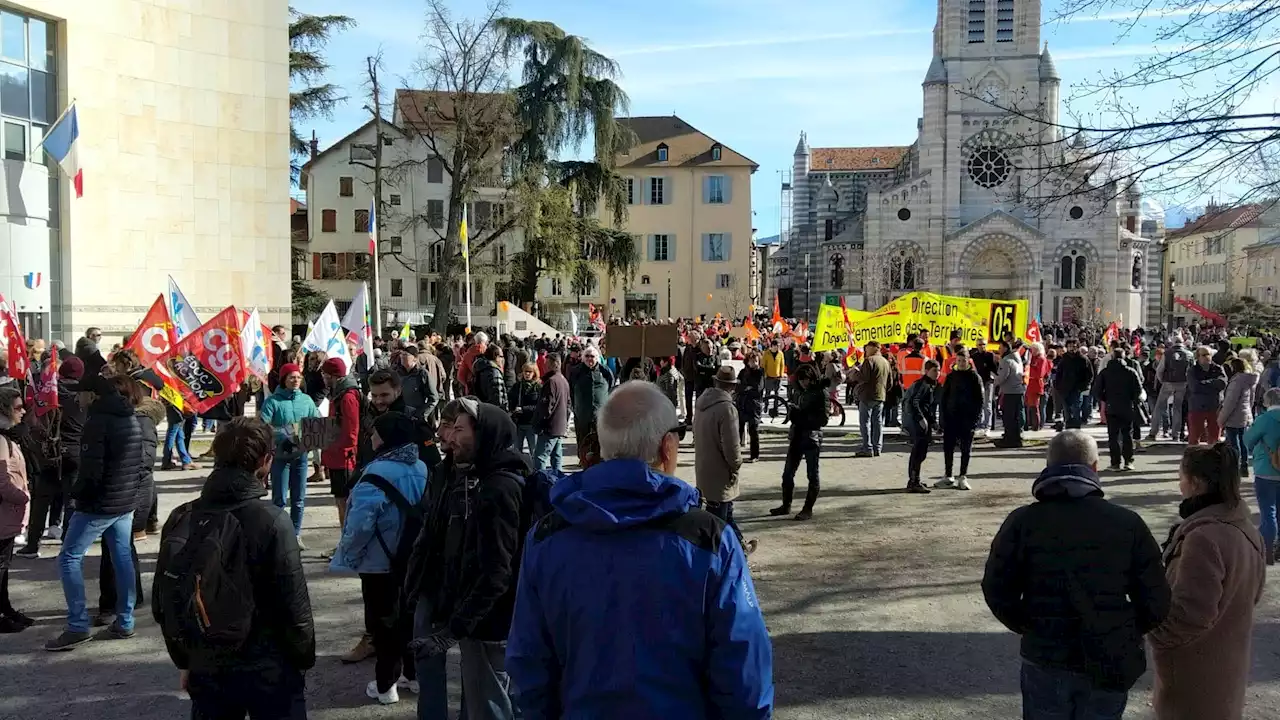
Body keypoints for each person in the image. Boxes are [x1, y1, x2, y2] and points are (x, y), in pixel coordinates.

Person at [506, 381, 774, 718]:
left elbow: (528, 662)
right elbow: (743, 667)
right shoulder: (709, 540)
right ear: (667, 447)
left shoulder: (547, 536)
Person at [982, 430, 1171, 719]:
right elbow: (1156, 598)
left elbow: (997, 587)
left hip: (1045, 652)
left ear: (1048, 465)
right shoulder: (1127, 523)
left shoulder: (1023, 521)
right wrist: (1125, 627)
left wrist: (1028, 623)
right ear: (1094, 467)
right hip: (1109, 653)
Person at [153, 417, 315, 719]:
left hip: (208, 661)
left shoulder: (182, 516)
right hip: (269, 665)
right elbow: (293, 604)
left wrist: (185, 660)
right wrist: (303, 659)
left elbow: (166, 600)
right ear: (266, 460)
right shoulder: (273, 520)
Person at [404, 398, 528, 720]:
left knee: (491, 707)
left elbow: (497, 573)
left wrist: (452, 631)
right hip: (475, 618)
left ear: (484, 434)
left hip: (490, 624)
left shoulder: (498, 488)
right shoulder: (462, 474)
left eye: (459, 429)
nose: (450, 437)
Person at [1149, 444, 1266, 720]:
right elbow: (1255, 593)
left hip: (1194, 678)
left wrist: (1152, 632)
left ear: (1196, 483)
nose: (1180, 485)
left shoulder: (1204, 538)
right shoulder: (1245, 527)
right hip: (1226, 669)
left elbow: (1187, 615)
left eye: (1181, 477)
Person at [331, 412, 427, 705]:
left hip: (379, 562)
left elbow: (359, 526)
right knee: (411, 618)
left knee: (384, 625)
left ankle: (386, 685)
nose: (370, 438)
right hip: (413, 558)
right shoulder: (422, 467)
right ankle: (413, 675)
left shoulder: (373, 474)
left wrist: (346, 557)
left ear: (384, 439)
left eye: (374, 433)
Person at [45, 374, 147, 651]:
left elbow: (91, 470)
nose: (78, 398)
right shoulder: (131, 418)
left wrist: (77, 496)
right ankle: (125, 620)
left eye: (82, 393)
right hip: (124, 500)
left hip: (100, 503)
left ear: (94, 395)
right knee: (121, 555)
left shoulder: (97, 421)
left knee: (68, 557)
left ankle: (77, 625)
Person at [96, 383, 162, 627]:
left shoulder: (141, 422)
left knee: (115, 546)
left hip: (129, 493)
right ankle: (130, 598)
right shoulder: (116, 420)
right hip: (122, 490)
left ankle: (115, 605)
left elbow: (144, 463)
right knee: (121, 546)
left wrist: (112, 466)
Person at [258, 363, 320, 544]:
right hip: (280, 457)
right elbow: (262, 427)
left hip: (301, 456)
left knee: (299, 499)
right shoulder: (273, 401)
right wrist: (285, 432)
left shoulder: (307, 400)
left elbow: (316, 424)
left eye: (298, 377)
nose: (295, 380)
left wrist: (315, 438)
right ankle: (278, 536)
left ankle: (296, 534)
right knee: (279, 499)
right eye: (292, 377)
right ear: (284, 379)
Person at [696, 367, 756, 553]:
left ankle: (741, 547)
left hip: (704, 467)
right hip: (721, 471)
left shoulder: (701, 403)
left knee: (724, 514)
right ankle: (728, 555)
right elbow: (731, 446)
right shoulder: (727, 409)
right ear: (732, 387)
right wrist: (736, 464)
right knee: (719, 521)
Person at [772, 364, 826, 521]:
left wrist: (801, 415)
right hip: (797, 434)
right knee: (787, 473)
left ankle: (808, 508)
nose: (804, 383)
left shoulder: (820, 393)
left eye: (806, 380)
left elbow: (822, 419)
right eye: (801, 380)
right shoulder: (799, 391)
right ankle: (786, 504)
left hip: (812, 436)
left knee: (812, 474)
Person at [0, 387, 32, 633]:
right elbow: (2, 481)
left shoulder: (7, 436)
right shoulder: (0, 440)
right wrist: (23, 497)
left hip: (8, 514)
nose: (22, 411)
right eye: (18, 407)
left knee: (4, 564)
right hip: (4, 511)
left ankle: (5, 607)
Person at [321, 357, 362, 534]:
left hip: (345, 459)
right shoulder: (339, 393)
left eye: (324, 373)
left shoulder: (347, 397)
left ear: (332, 375)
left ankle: (347, 542)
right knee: (341, 501)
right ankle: (345, 541)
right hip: (337, 456)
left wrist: (335, 445)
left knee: (345, 503)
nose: (323, 377)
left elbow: (352, 432)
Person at [936, 351, 982, 491]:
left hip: (967, 419)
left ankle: (963, 476)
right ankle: (948, 475)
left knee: (965, 449)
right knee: (948, 448)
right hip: (951, 418)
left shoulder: (974, 378)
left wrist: (975, 419)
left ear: (968, 361)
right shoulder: (951, 377)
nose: (961, 363)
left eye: (963, 360)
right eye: (959, 360)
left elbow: (980, 400)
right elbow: (943, 398)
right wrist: (942, 417)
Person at [1094, 345, 1143, 471]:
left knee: (1113, 436)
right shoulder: (1131, 372)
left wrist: (1106, 398)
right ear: (1124, 357)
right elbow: (1138, 389)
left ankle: (1115, 463)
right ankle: (1128, 461)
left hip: (1111, 406)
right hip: (1127, 406)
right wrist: (1132, 399)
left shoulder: (1105, 372)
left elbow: (1097, 390)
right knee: (1127, 434)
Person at [1245, 387, 1280, 565]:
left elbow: (1248, 440)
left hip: (1266, 470)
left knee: (1268, 513)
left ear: (1268, 402)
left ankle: (1267, 550)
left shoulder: (1264, 419)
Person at [569, 345, 613, 466]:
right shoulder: (576, 371)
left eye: (592, 356)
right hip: (582, 411)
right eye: (587, 356)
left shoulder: (605, 371)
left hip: (599, 412)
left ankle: (599, 459)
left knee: (600, 438)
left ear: (597, 358)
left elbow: (610, 384)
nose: (590, 359)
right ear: (583, 358)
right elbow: (571, 389)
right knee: (582, 437)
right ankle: (582, 460)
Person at [903, 360, 940, 494]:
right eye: (934, 370)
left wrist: (933, 421)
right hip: (918, 423)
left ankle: (915, 479)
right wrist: (921, 419)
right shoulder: (922, 384)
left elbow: (927, 407)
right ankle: (914, 481)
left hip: (924, 421)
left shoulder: (931, 385)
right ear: (927, 371)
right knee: (918, 452)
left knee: (921, 452)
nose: (937, 373)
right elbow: (915, 402)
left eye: (938, 370)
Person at [1220, 356, 1257, 476]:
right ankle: (1244, 465)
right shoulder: (1248, 380)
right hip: (1244, 414)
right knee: (1243, 441)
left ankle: (1235, 466)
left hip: (1234, 416)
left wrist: (1221, 419)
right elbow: (1251, 400)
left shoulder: (1236, 382)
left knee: (1233, 442)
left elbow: (1230, 402)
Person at [854, 340, 891, 458]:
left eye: (866, 348)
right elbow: (890, 382)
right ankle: (877, 447)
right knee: (878, 422)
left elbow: (864, 378)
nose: (865, 350)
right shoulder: (885, 362)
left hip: (867, 395)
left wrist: (855, 373)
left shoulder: (869, 360)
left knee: (865, 422)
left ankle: (867, 447)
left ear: (872, 348)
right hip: (880, 395)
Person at [1152, 333, 1192, 441]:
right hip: (1183, 383)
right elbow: (1191, 371)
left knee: (1159, 407)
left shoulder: (1167, 353)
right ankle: (1176, 434)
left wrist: (1163, 381)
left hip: (1168, 383)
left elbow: (1159, 370)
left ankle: (1153, 432)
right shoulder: (1189, 354)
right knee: (1177, 408)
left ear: (1173, 342)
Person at [534, 354, 570, 472]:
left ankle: (540, 484)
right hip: (559, 426)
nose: (544, 365)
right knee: (556, 457)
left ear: (554, 364)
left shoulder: (551, 382)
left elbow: (546, 407)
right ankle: (558, 481)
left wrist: (540, 423)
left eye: (547, 363)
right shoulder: (563, 380)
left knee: (540, 458)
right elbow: (568, 404)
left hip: (550, 427)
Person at [992, 341, 1027, 448]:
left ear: (1006, 348)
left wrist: (994, 379)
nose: (998, 349)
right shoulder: (1017, 359)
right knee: (1017, 416)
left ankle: (1009, 439)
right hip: (1018, 391)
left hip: (1010, 392)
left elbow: (1002, 377)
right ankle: (1016, 437)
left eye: (1000, 347)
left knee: (1008, 417)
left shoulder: (1006, 361)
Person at [1057, 338, 1095, 430]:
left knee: (1076, 408)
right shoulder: (1064, 359)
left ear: (1077, 347)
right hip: (1065, 389)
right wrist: (1058, 386)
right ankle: (1068, 427)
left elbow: (1090, 375)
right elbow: (1059, 374)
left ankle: (1076, 427)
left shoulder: (1083, 359)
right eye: (1069, 346)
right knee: (1066, 410)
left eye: (1074, 346)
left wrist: (1083, 386)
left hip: (1077, 389)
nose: (1071, 348)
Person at [735, 352, 764, 463]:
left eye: (756, 361)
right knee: (739, 429)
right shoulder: (743, 372)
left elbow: (758, 387)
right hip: (742, 404)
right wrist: (746, 387)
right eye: (752, 361)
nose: (754, 363)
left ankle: (754, 455)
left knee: (754, 430)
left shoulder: (760, 372)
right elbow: (738, 386)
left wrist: (747, 387)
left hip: (754, 405)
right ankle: (735, 453)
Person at [508, 362, 541, 458]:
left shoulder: (538, 387)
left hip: (532, 423)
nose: (527, 374)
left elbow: (539, 406)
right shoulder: (517, 386)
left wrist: (524, 409)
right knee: (517, 451)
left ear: (534, 373)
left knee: (533, 451)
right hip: (518, 423)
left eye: (530, 372)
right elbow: (511, 400)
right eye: (525, 371)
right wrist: (512, 409)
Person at [1025, 342, 1050, 431]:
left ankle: (1036, 426)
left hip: (1035, 385)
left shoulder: (1042, 359)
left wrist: (1029, 369)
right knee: (1029, 406)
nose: (1031, 351)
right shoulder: (1032, 358)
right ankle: (1028, 424)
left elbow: (1040, 373)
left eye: (1033, 349)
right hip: (1029, 385)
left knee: (1034, 406)